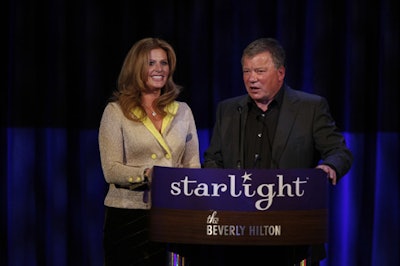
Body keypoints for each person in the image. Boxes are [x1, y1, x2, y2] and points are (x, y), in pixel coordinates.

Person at [202, 38, 353, 265]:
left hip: (291, 235)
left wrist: (330, 166)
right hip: (236, 233)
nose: (251, 78)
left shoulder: (310, 107)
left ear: (280, 73)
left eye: (260, 71)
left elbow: (339, 151)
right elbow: (213, 158)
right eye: (247, 71)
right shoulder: (229, 109)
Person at [98, 37, 201, 266]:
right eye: (151, 63)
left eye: (163, 63)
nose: (159, 69)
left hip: (174, 214)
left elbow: (193, 164)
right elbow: (111, 170)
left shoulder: (182, 111)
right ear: (136, 68)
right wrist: (146, 174)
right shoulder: (115, 112)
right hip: (129, 218)